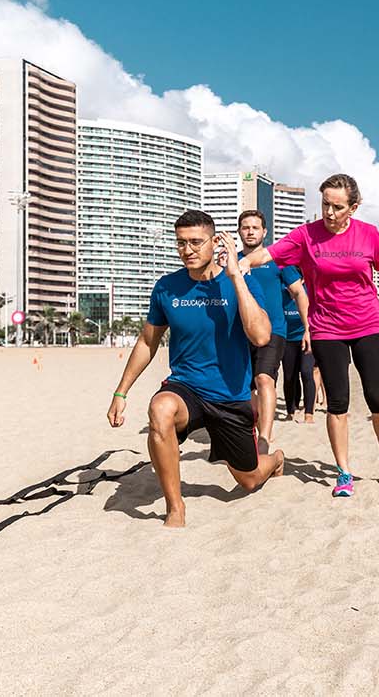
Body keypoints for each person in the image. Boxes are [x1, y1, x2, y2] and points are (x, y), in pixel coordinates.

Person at [240, 173, 379, 497]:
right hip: (326, 327)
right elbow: (267, 254)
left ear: (354, 206)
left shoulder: (369, 235)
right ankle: (344, 470)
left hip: (368, 324)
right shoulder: (307, 235)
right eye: (325, 205)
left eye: (337, 207)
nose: (330, 213)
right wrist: (242, 264)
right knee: (338, 403)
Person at [107, 210, 283, 528]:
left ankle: (276, 459)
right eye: (181, 243)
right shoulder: (167, 287)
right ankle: (175, 508)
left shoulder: (243, 281)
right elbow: (148, 342)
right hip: (186, 387)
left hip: (230, 396)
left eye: (196, 242)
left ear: (215, 242)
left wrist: (234, 277)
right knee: (160, 409)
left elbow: (260, 335)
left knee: (249, 480)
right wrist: (122, 391)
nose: (187, 250)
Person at [237, 210, 308, 445]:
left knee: (264, 378)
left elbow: (299, 292)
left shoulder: (279, 261)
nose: (250, 231)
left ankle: (265, 438)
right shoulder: (233, 262)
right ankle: (254, 427)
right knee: (247, 387)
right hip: (241, 332)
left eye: (255, 227)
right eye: (245, 227)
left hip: (274, 330)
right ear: (239, 231)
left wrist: (308, 327)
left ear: (264, 232)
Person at [281, 278, 317, 423]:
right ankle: (291, 410)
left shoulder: (307, 291)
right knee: (290, 377)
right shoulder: (280, 293)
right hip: (287, 339)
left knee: (307, 372)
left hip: (306, 336)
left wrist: (308, 331)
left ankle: (309, 413)